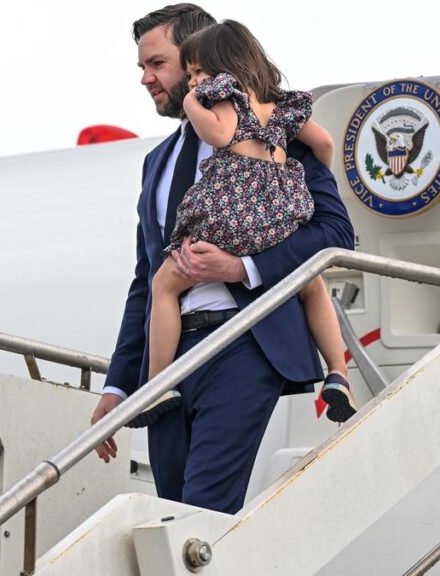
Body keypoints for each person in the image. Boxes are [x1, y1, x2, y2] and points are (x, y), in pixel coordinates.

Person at [90, 4, 355, 515]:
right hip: (169, 361)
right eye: (142, 67)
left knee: (204, 507)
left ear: (201, 56)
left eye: (158, 64)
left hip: (244, 342)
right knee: (172, 509)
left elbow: (334, 233)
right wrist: (120, 385)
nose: (146, 78)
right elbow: (146, 280)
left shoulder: (273, 130)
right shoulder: (156, 162)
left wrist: (242, 268)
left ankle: (337, 371)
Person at [147, 20, 357, 424]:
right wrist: (301, 177)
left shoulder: (222, 98)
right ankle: (338, 372)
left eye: (197, 71)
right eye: (189, 75)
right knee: (309, 283)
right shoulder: (281, 107)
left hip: (233, 212)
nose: (194, 81)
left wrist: (192, 105)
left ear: (224, 65)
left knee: (164, 285)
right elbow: (325, 143)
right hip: (280, 209)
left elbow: (220, 135)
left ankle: (158, 382)